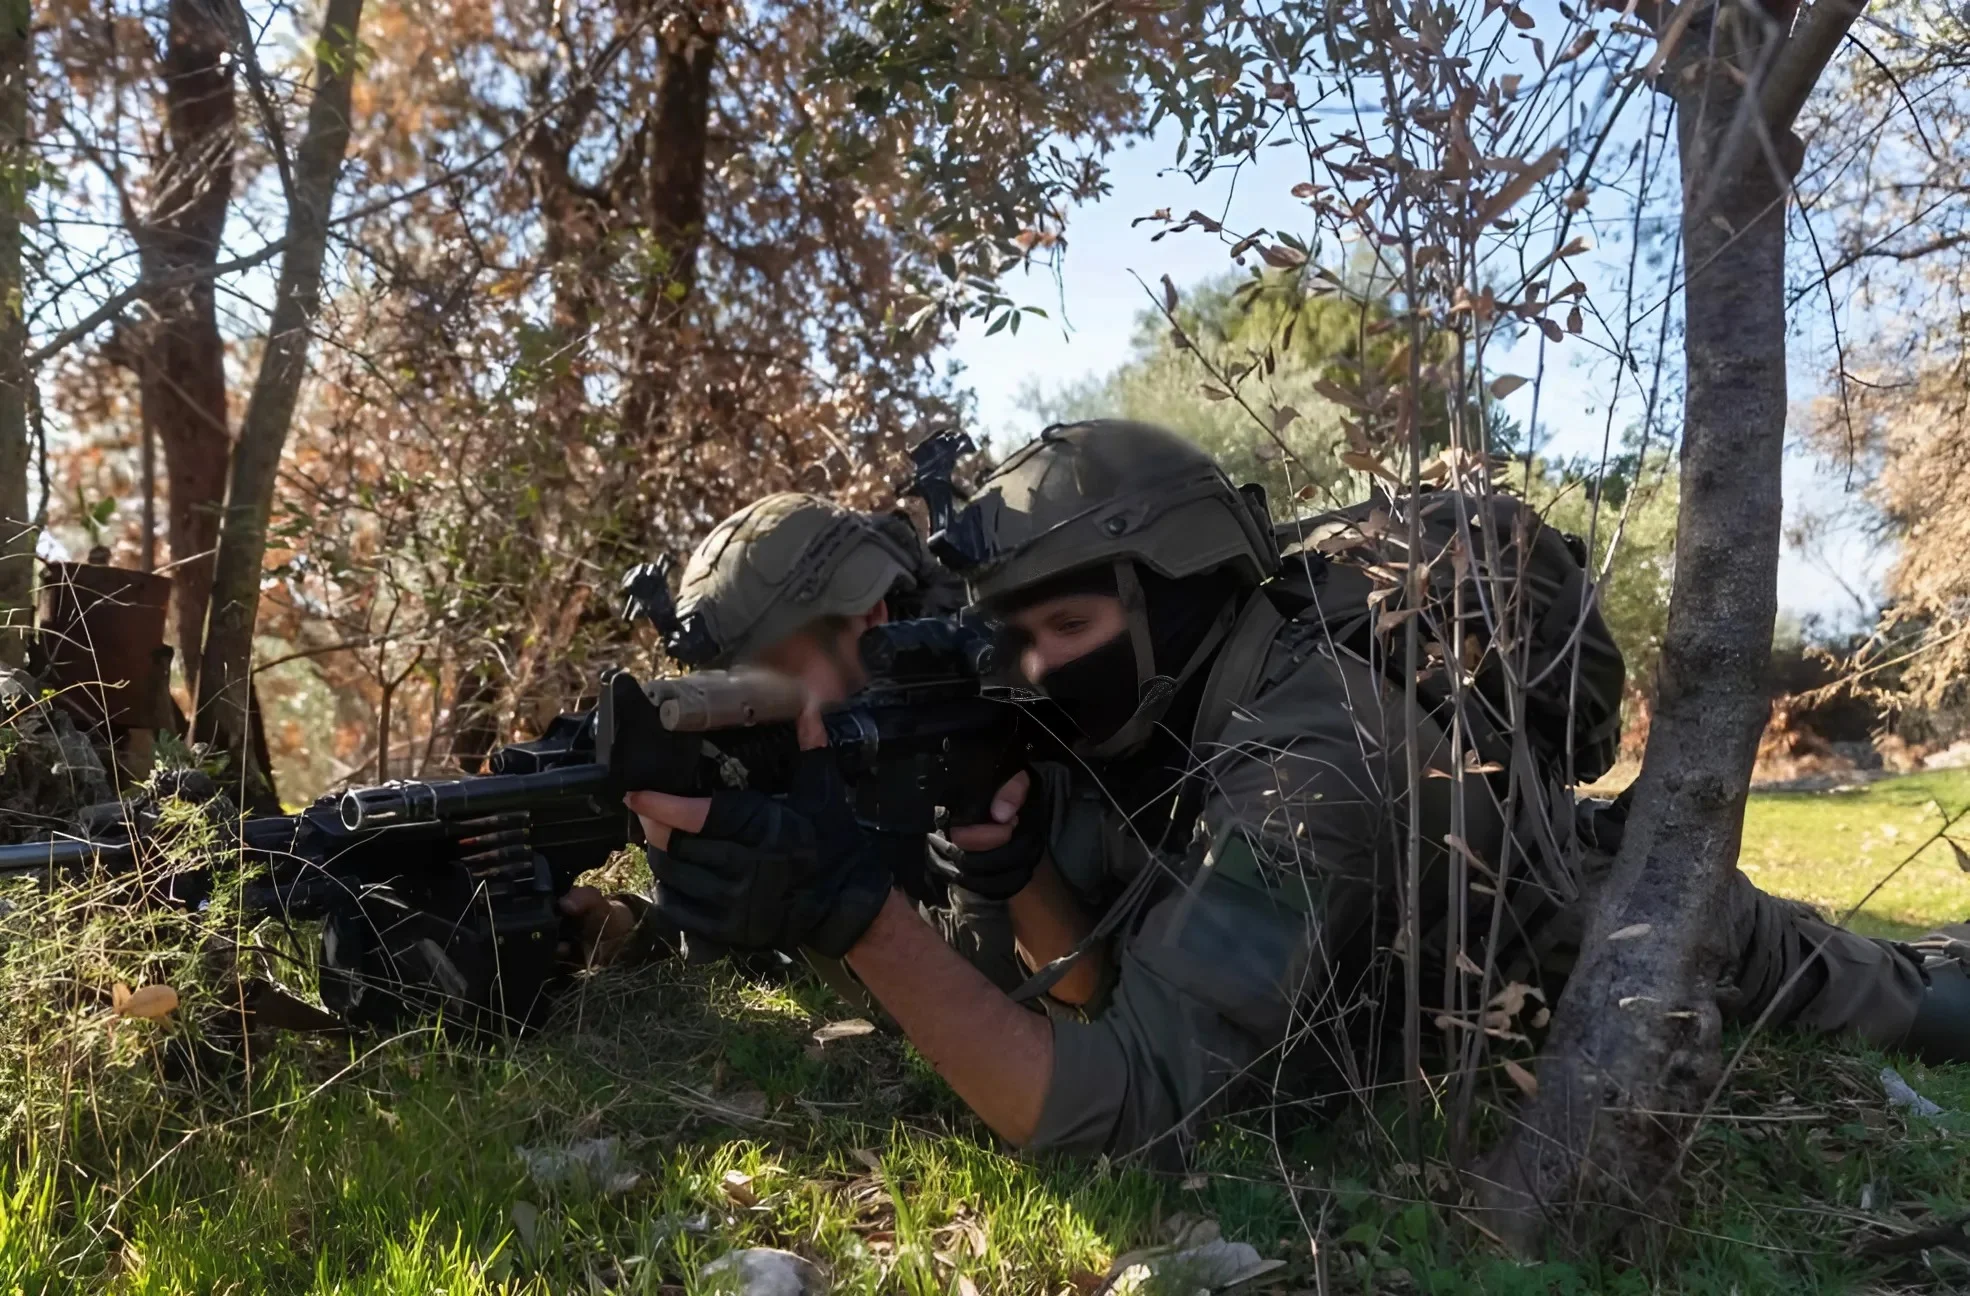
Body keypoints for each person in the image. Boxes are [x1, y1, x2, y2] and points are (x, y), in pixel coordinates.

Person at [624, 421, 1970, 1163]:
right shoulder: (1162, 712)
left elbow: (1127, 1106)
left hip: (1599, 927)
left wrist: (858, 917)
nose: (1028, 673)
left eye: (1064, 629)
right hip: (1408, 959)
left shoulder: (1309, 767)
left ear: (1180, 593)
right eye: (1011, 637)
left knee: (1918, 1004)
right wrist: (1006, 872)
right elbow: (1099, 992)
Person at [558, 490, 1003, 976]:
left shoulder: (996, 714)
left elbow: (988, 981)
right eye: (725, 687)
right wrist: (629, 929)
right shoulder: (809, 753)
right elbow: (767, 908)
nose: (746, 717)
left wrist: (836, 902)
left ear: (871, 618)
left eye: (765, 683)